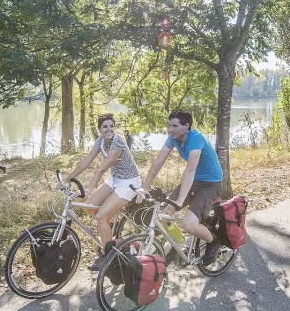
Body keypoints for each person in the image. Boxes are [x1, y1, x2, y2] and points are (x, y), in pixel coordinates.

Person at [142, 109, 223, 266]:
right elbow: (159, 161)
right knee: (164, 216)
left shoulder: (196, 139)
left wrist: (180, 200)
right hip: (193, 180)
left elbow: (190, 169)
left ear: (186, 126)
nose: (170, 129)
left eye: (174, 126)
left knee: (188, 224)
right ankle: (179, 245)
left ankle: (213, 242)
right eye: (169, 125)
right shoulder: (173, 138)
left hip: (210, 184)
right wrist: (144, 187)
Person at [62, 114, 141, 270]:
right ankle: (109, 229)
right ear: (100, 129)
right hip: (114, 179)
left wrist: (90, 187)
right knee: (88, 207)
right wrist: (68, 178)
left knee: (101, 216)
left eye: (111, 126)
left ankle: (108, 255)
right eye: (105, 126)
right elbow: (86, 161)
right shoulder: (100, 141)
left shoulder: (118, 141)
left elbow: (102, 167)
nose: (109, 129)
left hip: (129, 182)